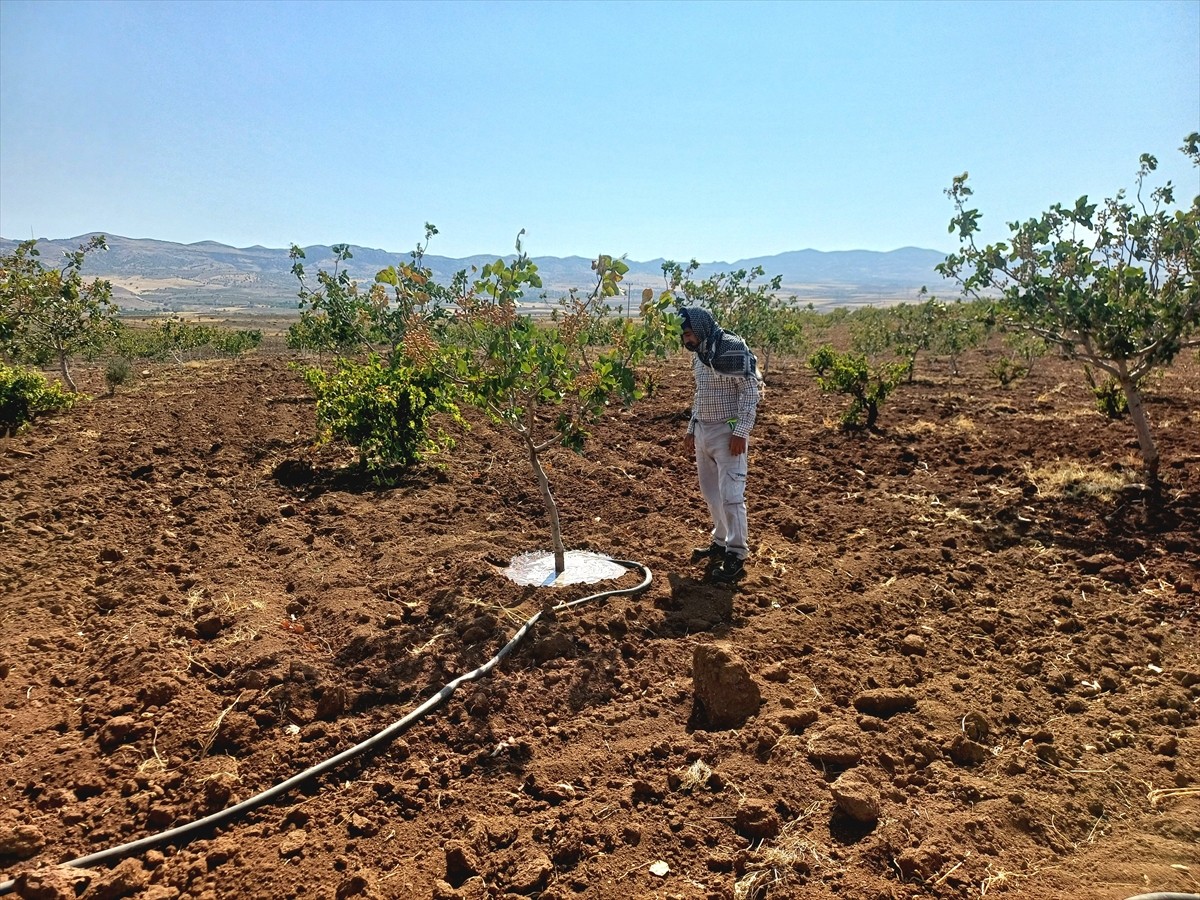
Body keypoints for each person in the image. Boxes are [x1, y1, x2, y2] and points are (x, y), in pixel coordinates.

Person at [678, 306, 762, 583]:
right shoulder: (700, 357)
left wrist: (741, 432)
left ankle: (736, 555)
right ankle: (721, 540)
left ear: (700, 330)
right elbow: (700, 394)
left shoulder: (732, 350)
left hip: (729, 436)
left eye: (688, 333)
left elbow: (750, 393)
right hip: (703, 432)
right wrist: (692, 428)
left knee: (731, 496)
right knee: (711, 494)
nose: (685, 340)